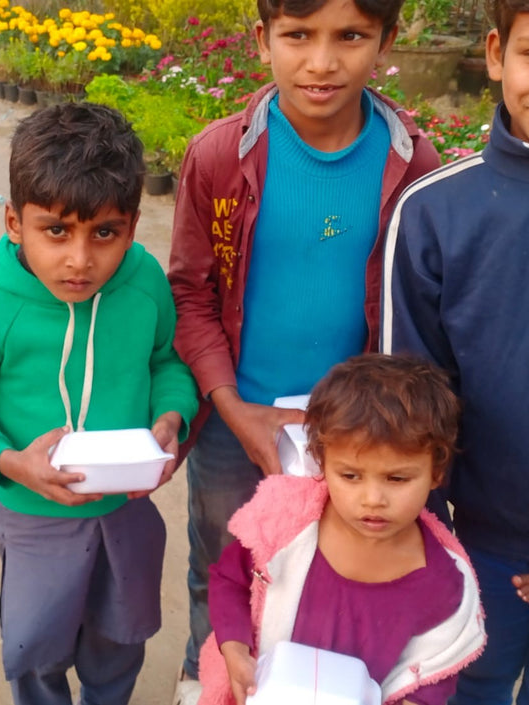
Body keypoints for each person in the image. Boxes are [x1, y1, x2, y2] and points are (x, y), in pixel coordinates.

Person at [166, 0, 442, 699]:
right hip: (237, 419)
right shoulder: (219, 156)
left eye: (350, 37)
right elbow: (191, 293)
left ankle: (304, 678)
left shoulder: (413, 161)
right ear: (263, 39)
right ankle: (206, 673)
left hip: (359, 428)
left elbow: (415, 300)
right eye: (298, 36)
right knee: (226, 556)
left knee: (329, 560)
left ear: (387, 39)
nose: (322, 62)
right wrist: (232, 406)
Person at [0, 102, 199, 705]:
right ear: (13, 223)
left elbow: (166, 363)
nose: (81, 259)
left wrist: (172, 415)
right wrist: (9, 461)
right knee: (35, 646)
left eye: (106, 232)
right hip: (35, 517)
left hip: (127, 513)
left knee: (121, 636)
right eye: (57, 230)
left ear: (132, 225)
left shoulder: (144, 284)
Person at [382, 0, 529, 701]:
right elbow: (411, 396)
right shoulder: (435, 212)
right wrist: (418, 529)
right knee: (469, 685)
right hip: (477, 542)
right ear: (498, 53)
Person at [198, 354, 485, 705]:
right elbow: (230, 580)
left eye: (397, 478)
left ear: (436, 472)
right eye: (350, 476)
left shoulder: (445, 586)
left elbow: (434, 671)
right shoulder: (282, 529)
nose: (373, 499)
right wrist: (235, 650)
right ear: (322, 463)